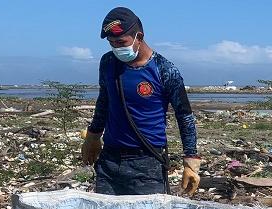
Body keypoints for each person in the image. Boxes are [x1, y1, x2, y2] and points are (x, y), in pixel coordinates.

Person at [81, 7, 201, 196]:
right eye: (112, 43)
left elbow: (184, 115)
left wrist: (191, 161)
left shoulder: (165, 70)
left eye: (121, 42)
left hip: (147, 162)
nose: (117, 48)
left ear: (139, 36)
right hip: (110, 161)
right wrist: (93, 136)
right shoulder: (108, 63)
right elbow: (104, 101)